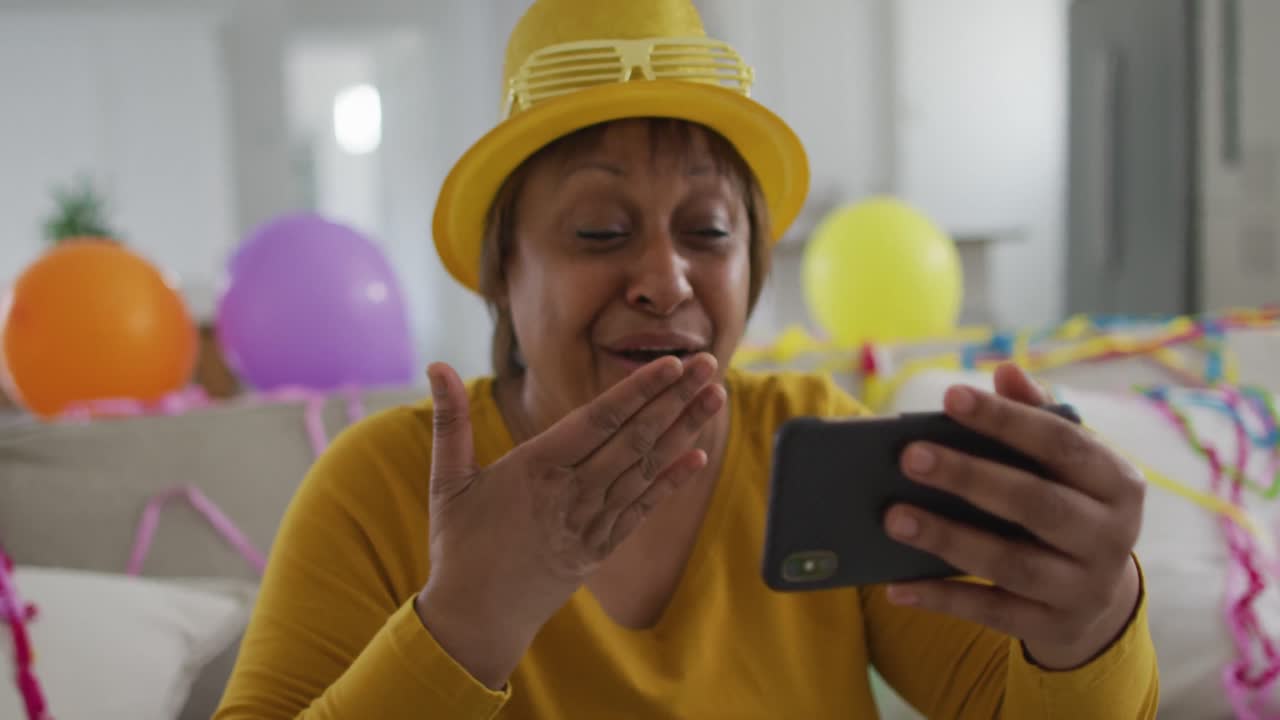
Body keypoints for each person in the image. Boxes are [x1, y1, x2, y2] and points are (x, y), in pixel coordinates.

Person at [215, 1, 1159, 717]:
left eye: (707, 231)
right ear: (503, 268)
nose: (665, 280)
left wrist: (1089, 621)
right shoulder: (379, 488)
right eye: (598, 230)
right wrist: (461, 626)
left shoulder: (813, 437)